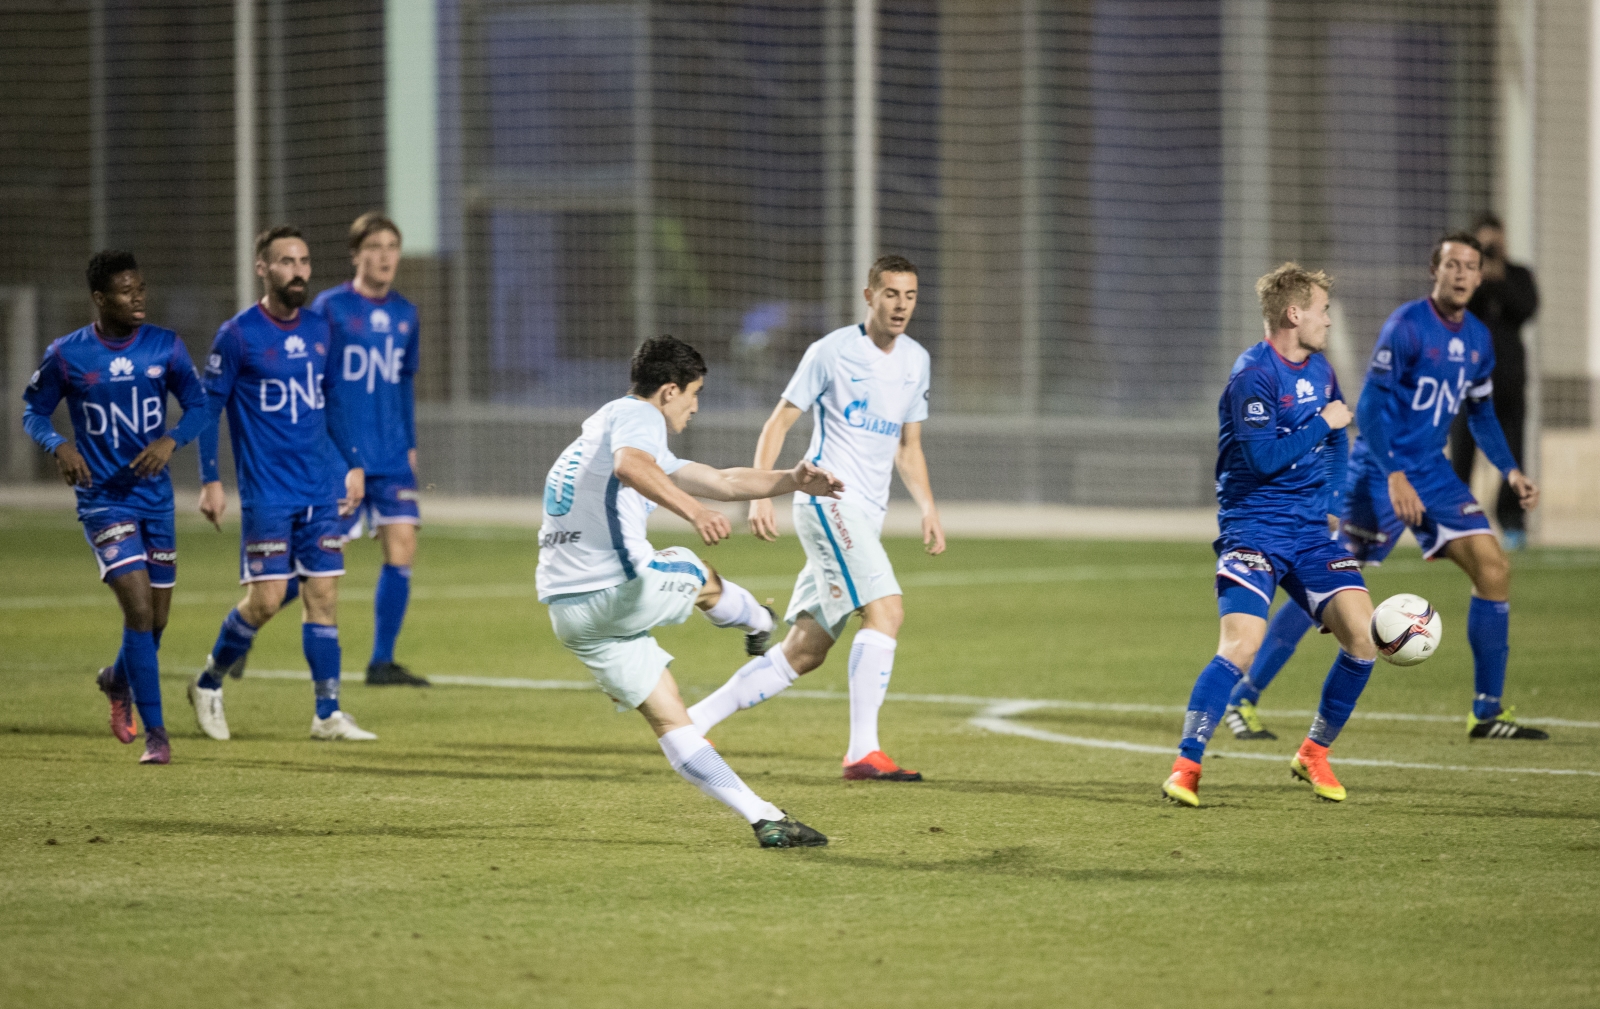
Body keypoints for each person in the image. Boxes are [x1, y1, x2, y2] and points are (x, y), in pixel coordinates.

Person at [1219, 235, 1547, 743]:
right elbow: (1369, 406)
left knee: (1494, 568)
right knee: (1321, 582)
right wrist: (1392, 474)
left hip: (1432, 474)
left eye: (1470, 267)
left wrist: (1510, 469)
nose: (1461, 274)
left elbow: (1480, 412)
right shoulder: (1408, 326)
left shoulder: (1480, 339)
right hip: (1381, 469)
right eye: (1451, 265)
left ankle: (1486, 712)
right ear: (1433, 271)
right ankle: (1244, 696)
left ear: (1481, 277)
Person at [537, 336, 841, 847]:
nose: (696, 406)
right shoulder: (637, 418)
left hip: (570, 614)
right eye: (694, 394)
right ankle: (757, 622)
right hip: (618, 587)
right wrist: (694, 513)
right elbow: (631, 468)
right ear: (669, 390)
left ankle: (763, 817)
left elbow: (721, 479)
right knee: (693, 569)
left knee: (672, 719)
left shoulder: (602, 430)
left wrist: (791, 479)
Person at [686, 255, 944, 782]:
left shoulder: (916, 360)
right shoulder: (830, 352)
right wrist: (760, 496)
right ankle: (863, 753)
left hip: (864, 516)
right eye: (891, 294)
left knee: (805, 650)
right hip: (828, 503)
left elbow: (908, 445)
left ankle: (693, 721)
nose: (901, 306)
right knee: (887, 611)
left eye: (910, 296)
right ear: (869, 295)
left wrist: (928, 507)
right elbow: (778, 423)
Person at [1162, 263, 1379, 807]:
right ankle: (1187, 765)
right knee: (1241, 645)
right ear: (1294, 313)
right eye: (1323, 310)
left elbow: (1338, 440)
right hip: (1254, 528)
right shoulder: (1253, 376)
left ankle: (1314, 754)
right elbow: (1262, 460)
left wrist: (1330, 501)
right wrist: (1322, 425)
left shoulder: (1321, 368)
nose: (1328, 321)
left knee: (1364, 635)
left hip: (1309, 534)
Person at [188, 225, 377, 742]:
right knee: (267, 600)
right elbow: (209, 410)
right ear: (263, 269)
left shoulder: (319, 330)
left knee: (324, 596)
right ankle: (208, 682)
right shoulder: (238, 334)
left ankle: (327, 714)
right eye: (287, 262)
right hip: (268, 491)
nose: (299, 271)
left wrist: (352, 465)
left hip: (319, 488)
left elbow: (335, 401)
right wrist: (210, 480)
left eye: (305, 261)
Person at [21, 250, 209, 764]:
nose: (138, 297)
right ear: (100, 299)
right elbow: (33, 410)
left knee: (158, 620)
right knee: (140, 610)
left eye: (141, 287)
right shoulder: (67, 354)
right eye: (127, 291)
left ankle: (116, 680)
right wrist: (59, 446)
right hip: (103, 500)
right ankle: (158, 736)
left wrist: (171, 441)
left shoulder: (166, 347)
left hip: (156, 500)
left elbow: (199, 404)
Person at [312, 211, 428, 686]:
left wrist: (411, 443)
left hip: (392, 455)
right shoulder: (330, 308)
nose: (385, 256)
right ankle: (247, 623)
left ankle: (382, 661)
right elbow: (315, 382)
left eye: (392, 247)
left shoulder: (405, 313)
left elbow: (402, 382)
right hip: (343, 454)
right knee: (317, 558)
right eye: (375, 247)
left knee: (403, 545)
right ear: (356, 253)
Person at [1450, 214, 1539, 551]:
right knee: (1462, 454)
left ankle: (1512, 522)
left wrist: (1499, 279)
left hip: (1509, 384)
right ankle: (1455, 522)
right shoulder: (1465, 278)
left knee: (1513, 455)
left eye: (1495, 244)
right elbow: (1455, 310)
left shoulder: (1518, 275)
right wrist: (1479, 278)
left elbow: (1528, 309)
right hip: (1468, 383)